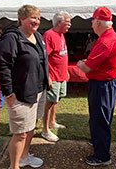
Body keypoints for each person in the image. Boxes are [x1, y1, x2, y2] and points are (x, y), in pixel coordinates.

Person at [0, 5, 49, 169]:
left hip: (39, 90)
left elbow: (42, 60)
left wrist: (48, 78)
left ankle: (24, 157)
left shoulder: (38, 36)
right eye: (33, 18)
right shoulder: (12, 38)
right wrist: (9, 92)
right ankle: (14, 165)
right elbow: (2, 66)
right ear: (22, 19)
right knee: (20, 134)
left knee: (31, 126)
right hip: (21, 93)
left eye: (39, 18)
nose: (37, 21)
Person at [77, 6, 116, 166]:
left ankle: (102, 155)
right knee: (101, 116)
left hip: (102, 85)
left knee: (100, 118)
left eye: (93, 22)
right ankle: (98, 141)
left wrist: (81, 64)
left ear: (98, 23)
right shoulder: (111, 37)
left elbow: (88, 67)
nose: (91, 25)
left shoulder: (105, 41)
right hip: (106, 83)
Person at [41, 11, 71, 142]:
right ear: (59, 22)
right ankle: (45, 130)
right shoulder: (49, 35)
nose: (70, 24)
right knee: (49, 102)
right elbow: (43, 58)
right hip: (53, 76)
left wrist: (66, 71)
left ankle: (52, 122)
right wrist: (47, 75)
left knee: (57, 99)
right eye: (68, 21)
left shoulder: (61, 35)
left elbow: (61, 56)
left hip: (61, 75)